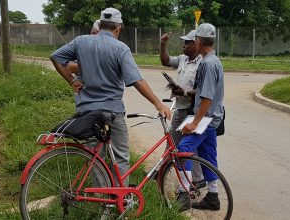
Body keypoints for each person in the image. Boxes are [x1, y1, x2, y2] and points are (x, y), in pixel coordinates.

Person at [50, 7, 171, 186]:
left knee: (94, 157)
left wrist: (72, 81)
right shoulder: (120, 48)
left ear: (101, 24)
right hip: (112, 113)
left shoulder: (81, 42)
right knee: (121, 157)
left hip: (86, 112)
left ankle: (100, 201)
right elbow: (137, 80)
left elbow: (55, 57)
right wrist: (157, 103)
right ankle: (118, 200)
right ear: (118, 28)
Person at [176, 23, 225, 211]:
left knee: (183, 149)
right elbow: (206, 92)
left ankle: (183, 193)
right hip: (213, 119)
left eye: (194, 40)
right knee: (208, 156)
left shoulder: (207, 63)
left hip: (205, 119)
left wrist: (195, 123)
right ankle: (213, 196)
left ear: (198, 41)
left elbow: (207, 97)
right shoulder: (214, 61)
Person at [159, 30, 205, 187]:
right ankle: (161, 172)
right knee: (171, 142)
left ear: (196, 44)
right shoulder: (182, 59)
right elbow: (166, 61)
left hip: (193, 112)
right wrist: (163, 44)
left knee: (189, 148)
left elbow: (203, 91)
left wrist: (184, 92)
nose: (183, 45)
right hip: (180, 108)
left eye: (187, 42)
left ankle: (197, 181)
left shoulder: (203, 63)